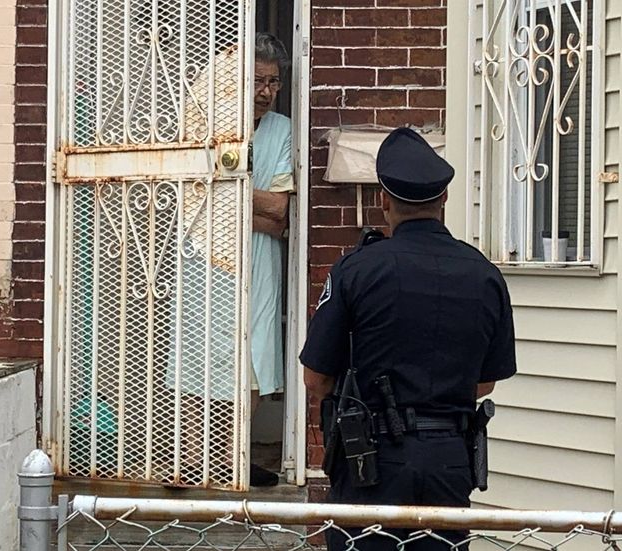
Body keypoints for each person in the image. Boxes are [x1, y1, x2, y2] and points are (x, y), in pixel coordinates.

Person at [299, 128, 518, 551]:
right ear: (444, 199)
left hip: (370, 461)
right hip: (449, 460)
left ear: (384, 200)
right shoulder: (484, 274)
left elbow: (316, 378)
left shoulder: (356, 271)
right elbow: (486, 382)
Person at [171, 32, 292, 487]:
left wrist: (229, 191)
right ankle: (190, 456)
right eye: (257, 81)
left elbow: (280, 213)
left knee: (255, 352)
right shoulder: (210, 127)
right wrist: (251, 201)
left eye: (273, 82)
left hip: (259, 258)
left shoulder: (282, 130)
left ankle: (231, 455)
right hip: (204, 252)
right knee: (199, 348)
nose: (265, 91)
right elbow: (193, 197)